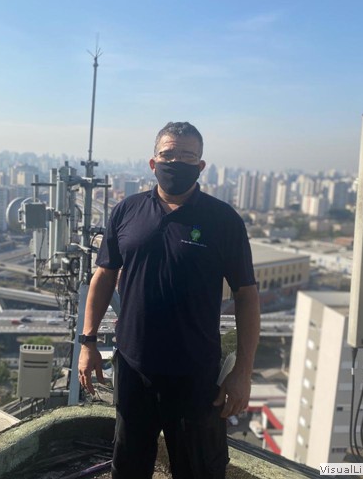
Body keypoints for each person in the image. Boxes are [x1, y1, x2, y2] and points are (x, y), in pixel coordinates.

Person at [78, 122, 260, 479]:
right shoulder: (127, 211)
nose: (176, 162)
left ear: (201, 166)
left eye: (187, 156)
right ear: (153, 163)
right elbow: (104, 276)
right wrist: (88, 342)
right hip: (134, 368)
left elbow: (247, 296)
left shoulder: (223, 220)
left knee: (199, 469)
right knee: (128, 466)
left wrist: (243, 371)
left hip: (195, 374)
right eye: (168, 154)